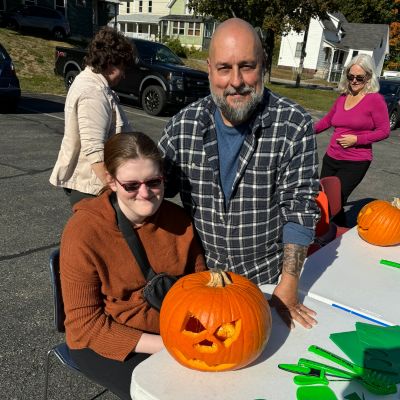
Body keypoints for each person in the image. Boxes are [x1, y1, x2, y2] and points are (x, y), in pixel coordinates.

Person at [158, 18, 320, 329]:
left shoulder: (293, 124)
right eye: (224, 68)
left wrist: (288, 285)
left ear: (263, 66)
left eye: (247, 66)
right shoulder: (184, 126)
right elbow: (150, 193)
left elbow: (300, 210)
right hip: (203, 281)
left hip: (268, 282)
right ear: (209, 69)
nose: (236, 81)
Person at [60, 132, 206, 399]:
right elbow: (85, 325)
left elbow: (199, 283)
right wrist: (170, 346)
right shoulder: (83, 232)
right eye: (131, 185)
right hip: (105, 339)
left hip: (170, 331)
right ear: (111, 181)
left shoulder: (179, 220)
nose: (145, 193)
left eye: (154, 182)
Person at [50, 27, 134, 207]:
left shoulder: (94, 85)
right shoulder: (93, 92)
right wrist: (119, 192)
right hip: (93, 190)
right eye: (122, 67)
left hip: (96, 187)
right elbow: (95, 152)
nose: (124, 74)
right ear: (110, 62)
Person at [314, 54, 390, 226]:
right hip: (331, 158)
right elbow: (327, 121)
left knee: (336, 201)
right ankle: (335, 234)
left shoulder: (375, 100)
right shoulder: (343, 97)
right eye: (350, 76)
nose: (354, 81)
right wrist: (306, 131)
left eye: (359, 77)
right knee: (324, 199)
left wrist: (357, 139)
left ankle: (331, 236)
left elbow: (384, 131)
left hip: (355, 162)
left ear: (369, 77)